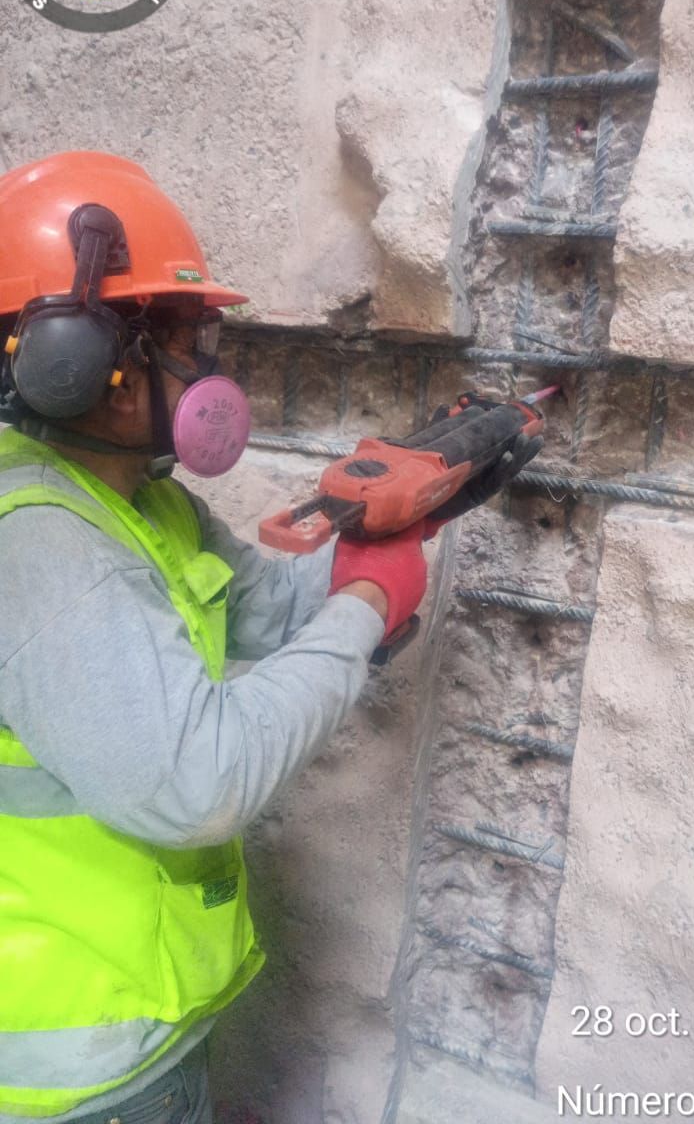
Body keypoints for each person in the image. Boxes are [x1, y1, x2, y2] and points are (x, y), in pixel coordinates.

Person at [0, 152, 508, 1124]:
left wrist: (392, 520)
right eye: (192, 335)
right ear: (77, 360)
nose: (211, 367)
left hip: (133, 1027)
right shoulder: (38, 542)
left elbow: (266, 608)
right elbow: (201, 783)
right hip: (69, 1074)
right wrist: (363, 611)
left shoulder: (131, 500)